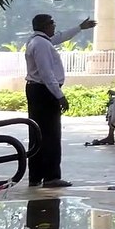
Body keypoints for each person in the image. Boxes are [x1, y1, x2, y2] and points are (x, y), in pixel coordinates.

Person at [24, 13, 97, 188]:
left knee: (37, 133)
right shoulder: (41, 44)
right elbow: (46, 73)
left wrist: (80, 27)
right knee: (51, 134)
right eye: (51, 23)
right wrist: (59, 95)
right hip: (44, 91)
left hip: (36, 90)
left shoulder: (37, 41)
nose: (54, 25)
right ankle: (51, 177)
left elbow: (60, 37)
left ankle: (36, 176)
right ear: (43, 25)